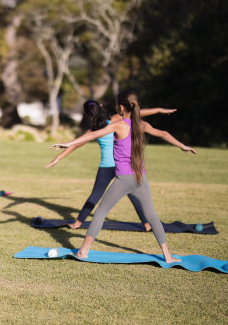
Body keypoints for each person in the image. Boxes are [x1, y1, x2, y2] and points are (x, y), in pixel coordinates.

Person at [51, 91, 196, 263]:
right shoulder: (142, 125)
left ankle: (83, 251)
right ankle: (168, 256)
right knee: (151, 215)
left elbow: (92, 134)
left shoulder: (118, 125)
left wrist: (68, 143)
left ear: (120, 107)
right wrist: (182, 145)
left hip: (124, 179)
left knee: (101, 212)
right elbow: (163, 133)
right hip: (141, 178)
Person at [46, 100, 176, 230]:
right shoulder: (115, 119)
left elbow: (74, 145)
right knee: (133, 194)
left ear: (88, 114)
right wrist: (158, 109)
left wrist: (57, 158)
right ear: (101, 107)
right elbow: (137, 112)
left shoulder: (93, 130)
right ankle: (147, 224)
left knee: (96, 194)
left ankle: (77, 223)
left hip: (106, 166)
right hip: (124, 165)